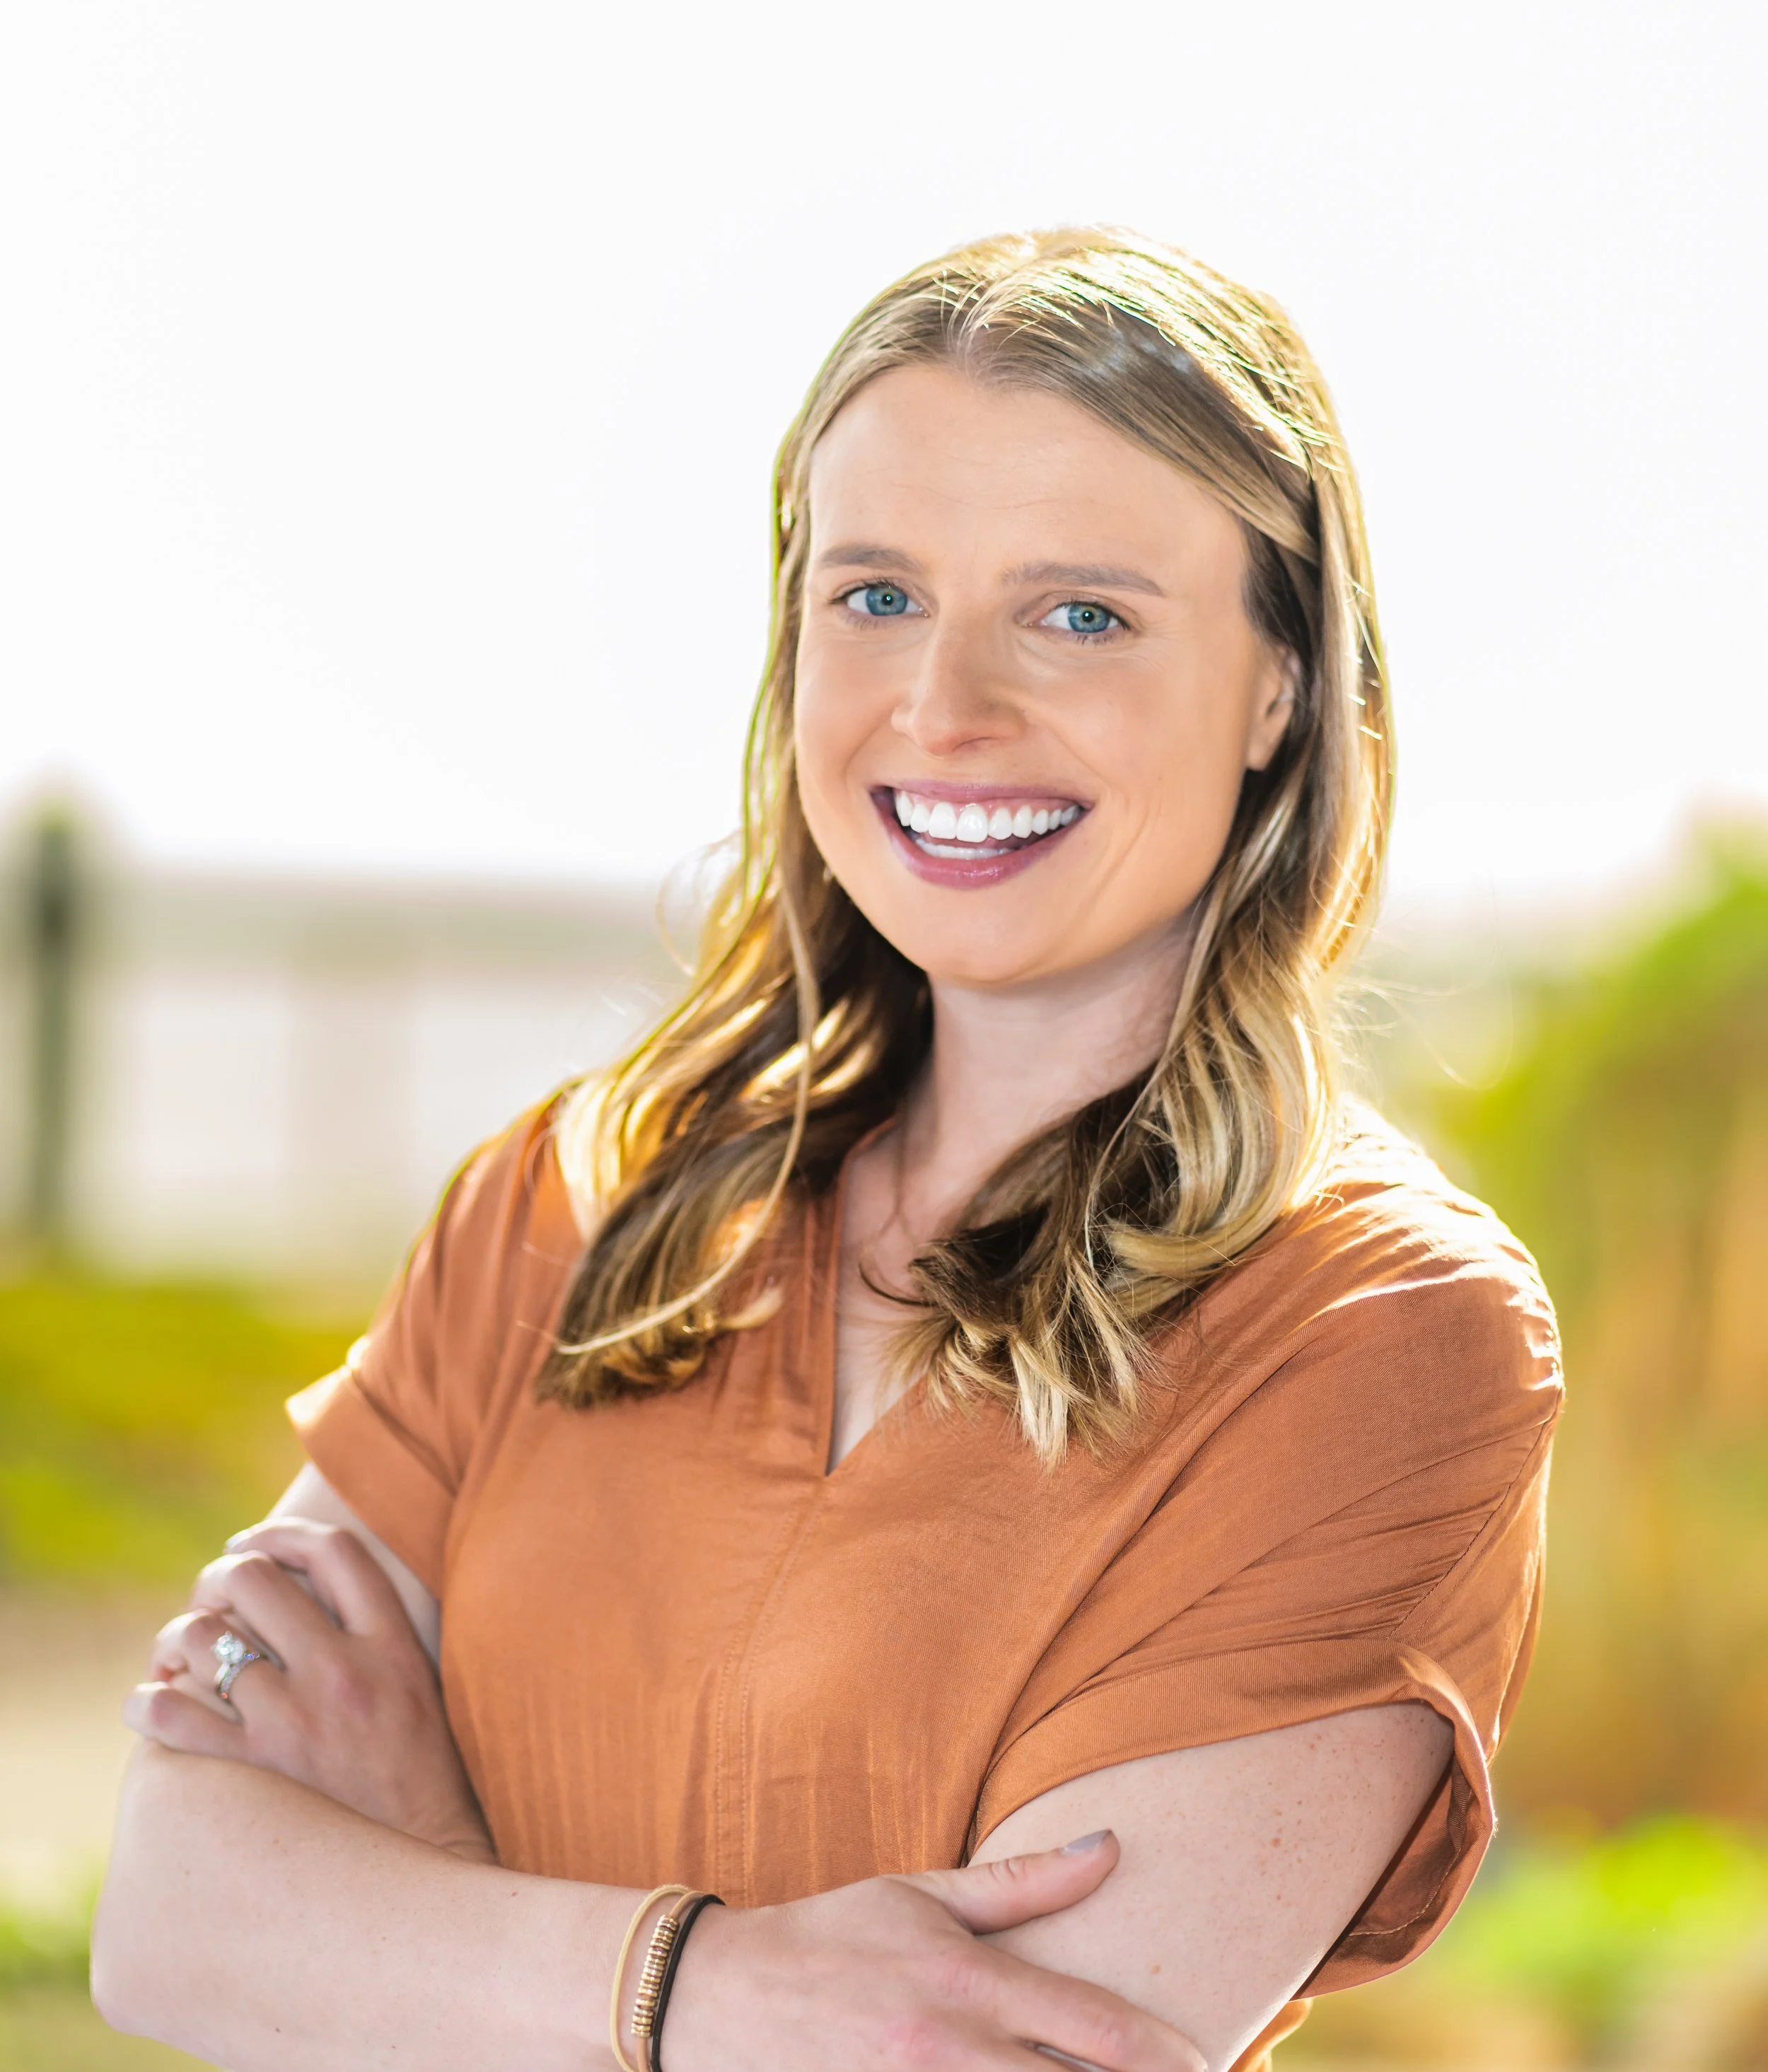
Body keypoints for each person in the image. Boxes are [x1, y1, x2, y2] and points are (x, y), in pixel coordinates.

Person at [93, 228, 1561, 2072]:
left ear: (1278, 687)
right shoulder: (568, 1199)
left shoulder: (1374, 1333)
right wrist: (697, 1989)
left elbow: (991, 2063)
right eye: (874, 594)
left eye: (1080, 611)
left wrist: (426, 1871)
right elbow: (170, 1918)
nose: (942, 708)